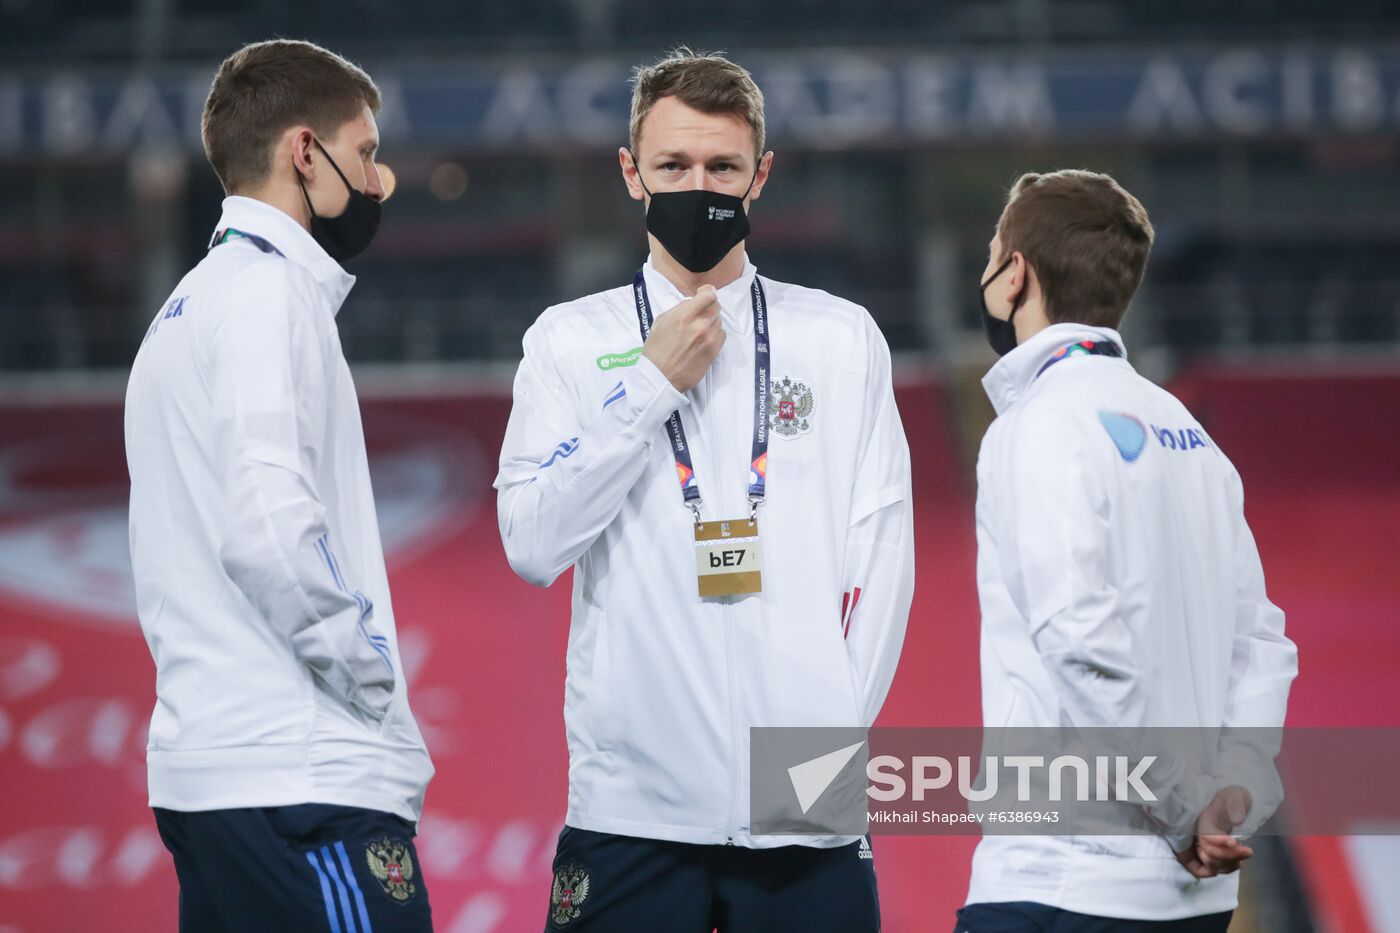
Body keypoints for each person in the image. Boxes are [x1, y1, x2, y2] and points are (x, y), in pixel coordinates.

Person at [495, 48, 914, 932]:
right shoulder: (569, 342)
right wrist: (648, 384)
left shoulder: (840, 339)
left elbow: (882, 558)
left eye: (722, 166)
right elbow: (532, 542)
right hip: (630, 811)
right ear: (631, 173)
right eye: (673, 165)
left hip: (807, 813)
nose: (699, 186)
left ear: (761, 174)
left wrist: (822, 750)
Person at [125, 39, 434, 932]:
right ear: (306, 151)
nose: (379, 182)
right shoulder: (268, 295)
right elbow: (266, 524)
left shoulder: (184, 308)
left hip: (221, 776)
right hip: (300, 781)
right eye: (366, 153)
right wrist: (370, 676)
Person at [957, 170, 1298, 932]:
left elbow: (1081, 639)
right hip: (1191, 897)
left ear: (1015, 274)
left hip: (1062, 875)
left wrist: (1181, 811)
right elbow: (1263, 642)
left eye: (989, 258)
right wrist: (1233, 793)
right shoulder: (1191, 433)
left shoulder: (1038, 422)